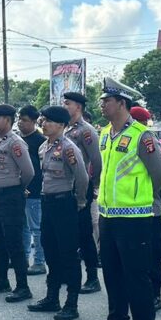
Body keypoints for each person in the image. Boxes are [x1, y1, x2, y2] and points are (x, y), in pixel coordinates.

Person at [87, 78, 161, 320]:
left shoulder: (141, 135)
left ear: (122, 103)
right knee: (112, 272)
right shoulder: (104, 133)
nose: (102, 105)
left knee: (136, 275)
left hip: (135, 218)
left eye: (107, 101)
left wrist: (139, 196)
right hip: (108, 215)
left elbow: (160, 174)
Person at [27, 104, 89, 320]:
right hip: (47, 203)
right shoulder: (44, 147)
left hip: (64, 204)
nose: (44, 124)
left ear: (62, 125)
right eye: (43, 120)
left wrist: (80, 201)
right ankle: (52, 297)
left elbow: (82, 178)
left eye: (49, 121)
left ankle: (71, 303)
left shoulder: (68, 148)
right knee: (50, 249)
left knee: (68, 254)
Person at [0, 103, 34, 302]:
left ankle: (22, 286)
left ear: (8, 120)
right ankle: (1, 279)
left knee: (14, 243)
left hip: (10, 197)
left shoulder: (15, 143)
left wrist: (18, 188)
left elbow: (28, 172)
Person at [128, 106, 161, 312]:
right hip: (130, 209)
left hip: (150, 209)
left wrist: (155, 195)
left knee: (152, 255)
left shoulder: (152, 144)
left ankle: (155, 294)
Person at [63, 92, 103, 294]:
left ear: (78, 107)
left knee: (85, 234)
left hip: (82, 186)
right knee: (69, 233)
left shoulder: (86, 131)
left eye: (67, 103)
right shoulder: (66, 129)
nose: (64, 106)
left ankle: (92, 277)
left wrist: (93, 185)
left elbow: (96, 161)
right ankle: (70, 274)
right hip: (65, 187)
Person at [18, 105, 47, 276]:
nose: (21, 123)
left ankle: (39, 262)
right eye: (19, 119)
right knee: (23, 227)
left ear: (34, 122)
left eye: (25, 120)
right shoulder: (18, 139)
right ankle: (23, 259)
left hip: (35, 191)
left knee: (36, 228)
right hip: (20, 189)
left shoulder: (40, 140)